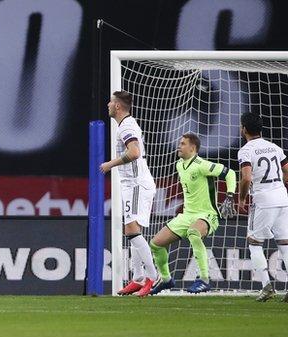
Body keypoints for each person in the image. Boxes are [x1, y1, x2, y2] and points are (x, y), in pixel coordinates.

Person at [150, 133, 237, 294]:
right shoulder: (179, 165)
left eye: (183, 144)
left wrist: (230, 195)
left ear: (193, 148)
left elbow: (230, 174)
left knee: (194, 233)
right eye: (179, 143)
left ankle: (204, 279)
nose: (179, 146)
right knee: (156, 243)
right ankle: (166, 279)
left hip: (207, 214)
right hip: (186, 215)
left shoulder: (201, 165)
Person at [100, 91, 158, 297]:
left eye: (111, 101)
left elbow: (134, 152)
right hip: (137, 184)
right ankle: (138, 277)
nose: (107, 104)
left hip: (135, 185)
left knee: (131, 232)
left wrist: (110, 164)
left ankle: (152, 275)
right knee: (134, 232)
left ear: (117, 106)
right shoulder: (127, 124)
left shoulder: (126, 126)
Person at [237, 112, 288, 302]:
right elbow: (287, 171)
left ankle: (267, 286)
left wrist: (241, 198)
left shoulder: (246, 151)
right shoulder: (274, 147)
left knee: (254, 242)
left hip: (263, 199)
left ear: (244, 129)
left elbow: (247, 177)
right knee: (284, 243)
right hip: (282, 197)